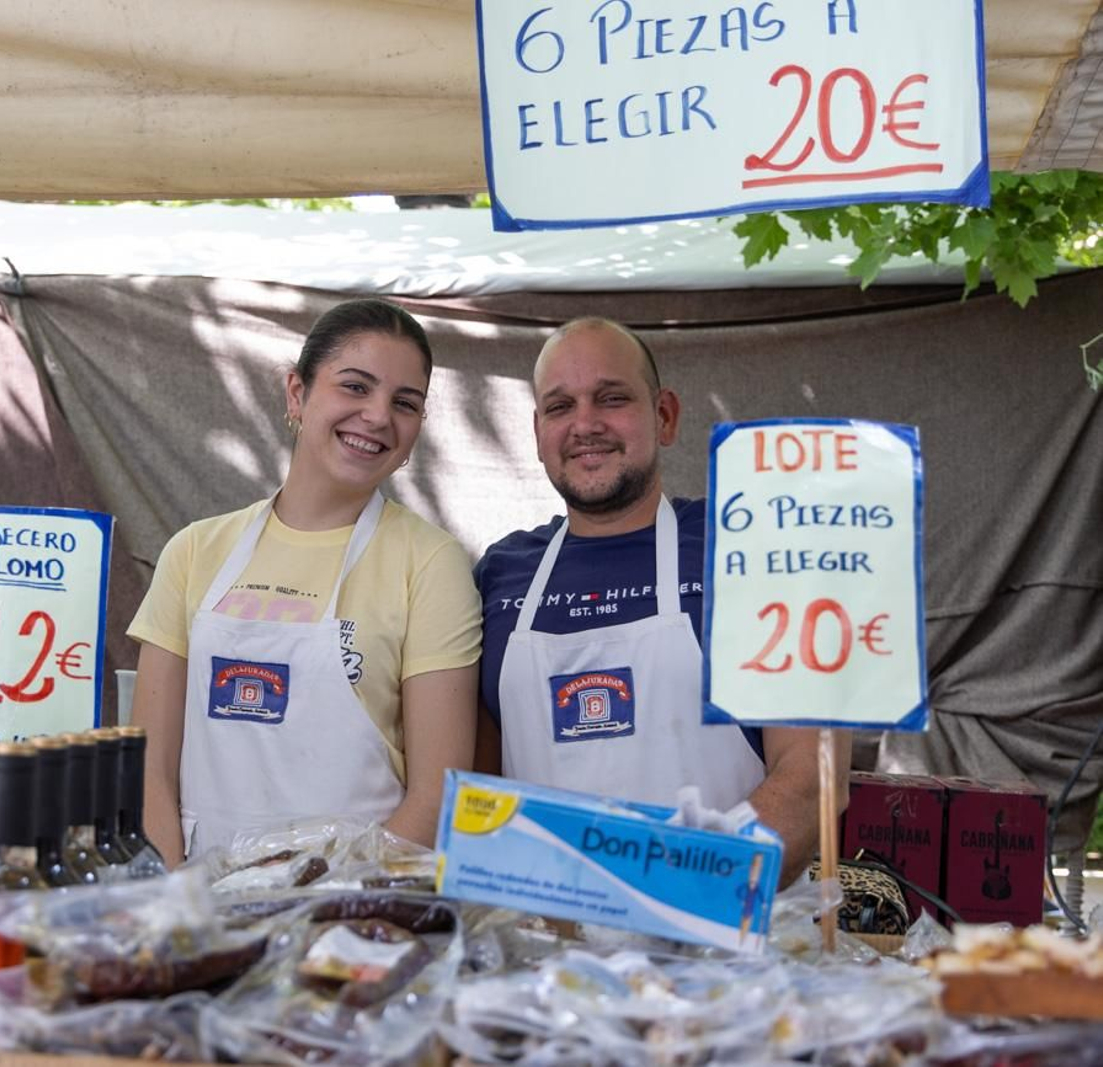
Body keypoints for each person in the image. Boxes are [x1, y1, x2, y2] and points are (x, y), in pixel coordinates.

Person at [473, 317, 844, 884]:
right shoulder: (500, 576)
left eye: (612, 398)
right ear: (538, 430)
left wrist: (683, 892)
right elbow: (476, 788)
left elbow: (812, 780)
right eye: (559, 406)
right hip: (544, 952)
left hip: (725, 945)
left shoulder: (753, 551)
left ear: (664, 416)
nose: (585, 424)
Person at [128, 299, 481, 865]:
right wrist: (177, 907)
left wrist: (326, 907)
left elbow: (437, 799)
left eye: (405, 403)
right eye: (355, 387)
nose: (377, 416)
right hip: (198, 909)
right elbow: (149, 773)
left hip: (353, 923)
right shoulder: (195, 552)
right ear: (297, 393)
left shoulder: (431, 563)